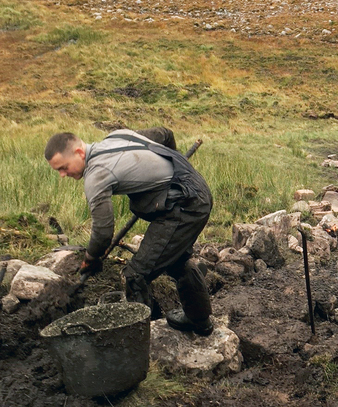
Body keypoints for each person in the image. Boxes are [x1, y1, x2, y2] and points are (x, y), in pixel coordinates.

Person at [45, 127, 214, 335]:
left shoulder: (96, 176)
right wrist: (174, 166)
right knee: (176, 259)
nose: (62, 175)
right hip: (191, 191)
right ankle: (199, 321)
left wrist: (91, 257)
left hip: (185, 205)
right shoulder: (118, 136)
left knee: (136, 275)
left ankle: (141, 340)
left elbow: (103, 231)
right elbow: (165, 134)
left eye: (63, 167)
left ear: (79, 153)